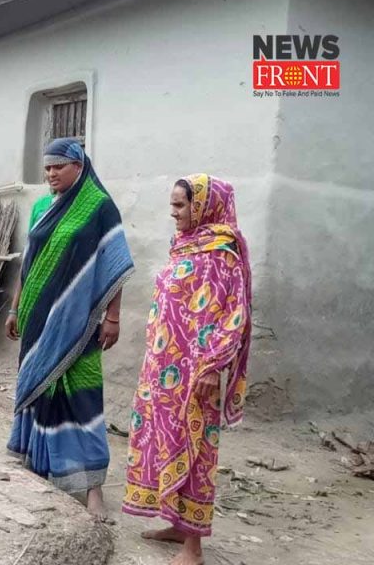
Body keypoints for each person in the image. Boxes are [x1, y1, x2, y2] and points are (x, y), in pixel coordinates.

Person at [123, 175, 252, 565]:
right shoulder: (187, 246)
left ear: (203, 205)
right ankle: (176, 524)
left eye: (180, 206)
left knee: (195, 451)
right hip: (163, 370)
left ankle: (193, 549)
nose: (173, 213)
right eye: (173, 205)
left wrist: (214, 366)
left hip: (196, 374)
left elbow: (233, 315)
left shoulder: (221, 253)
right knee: (164, 442)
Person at [4, 138, 134, 520]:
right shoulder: (42, 208)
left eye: (58, 166)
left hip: (81, 324)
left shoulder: (99, 207)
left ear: (78, 165)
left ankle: (93, 488)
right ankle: (39, 464)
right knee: (39, 389)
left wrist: (112, 317)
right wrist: (14, 309)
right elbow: (28, 266)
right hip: (36, 318)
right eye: (46, 168)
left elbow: (116, 263)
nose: (51, 174)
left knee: (83, 396)